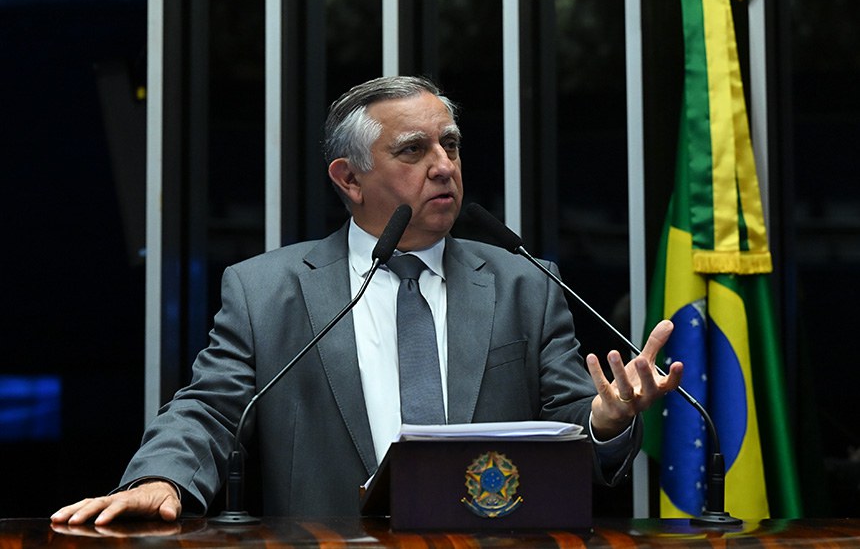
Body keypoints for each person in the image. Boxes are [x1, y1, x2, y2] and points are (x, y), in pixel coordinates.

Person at [51, 76, 682, 525]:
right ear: (348, 178)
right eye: (414, 150)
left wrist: (606, 419)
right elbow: (212, 411)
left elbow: (570, 420)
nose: (444, 167)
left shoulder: (524, 283)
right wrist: (160, 478)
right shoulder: (268, 290)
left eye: (451, 145)